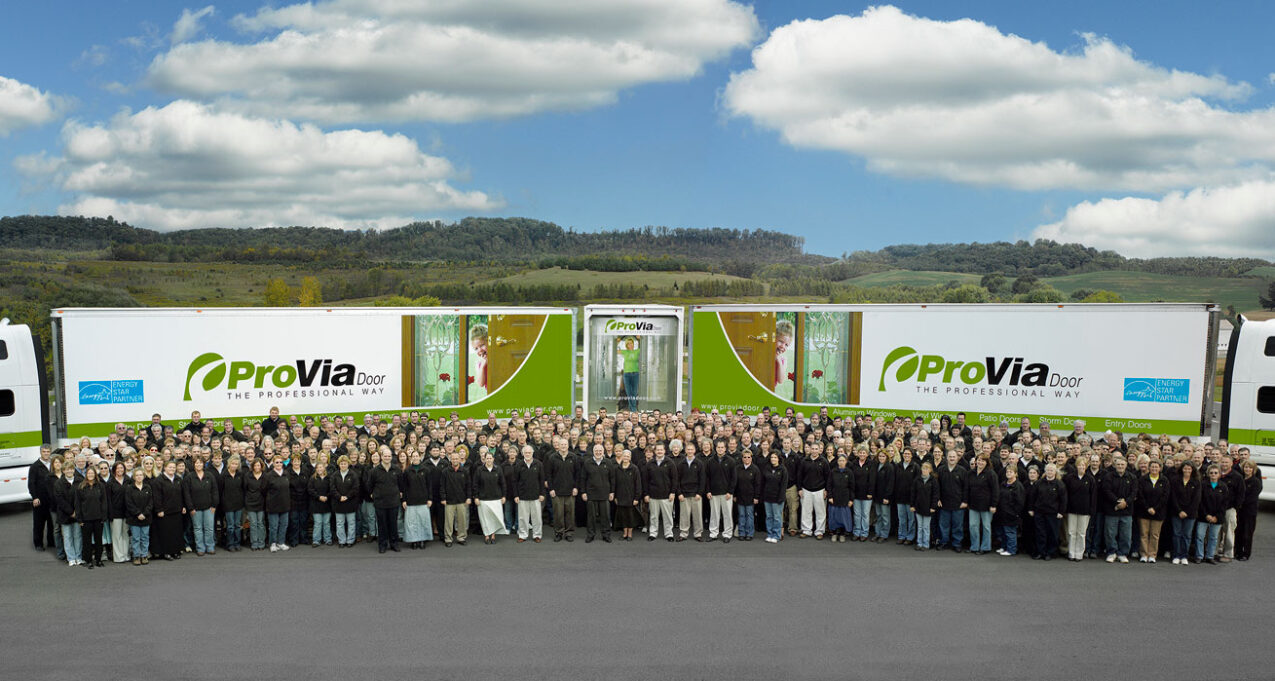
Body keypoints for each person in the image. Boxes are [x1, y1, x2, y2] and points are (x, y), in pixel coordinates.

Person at [1100, 456, 1138, 563]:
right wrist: (1117, 502)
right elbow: (1106, 491)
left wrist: (1125, 503)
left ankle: (1122, 553)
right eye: (1118, 464)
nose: (1120, 466)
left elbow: (1134, 492)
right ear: (1114, 465)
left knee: (1126, 534)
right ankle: (1111, 552)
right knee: (1110, 533)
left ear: (1126, 465)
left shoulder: (1132, 477)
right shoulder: (1109, 477)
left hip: (1127, 511)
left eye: (1122, 464)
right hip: (1112, 510)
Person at [1028, 463, 1066, 561]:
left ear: (1055, 472)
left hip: (1053, 513)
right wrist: (1031, 509)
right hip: (1039, 512)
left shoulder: (1059, 484)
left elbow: (1063, 499)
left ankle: (1050, 552)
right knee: (1040, 533)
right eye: (1048, 470)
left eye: (1051, 470)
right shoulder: (1039, 483)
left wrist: (1061, 512)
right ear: (1045, 471)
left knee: (1052, 533)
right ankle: (1041, 552)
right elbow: (1032, 497)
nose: (1049, 472)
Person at [368, 446, 403, 553]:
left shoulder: (396, 469)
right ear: (381, 457)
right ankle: (382, 545)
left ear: (391, 457)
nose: (387, 458)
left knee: (393, 524)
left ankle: (394, 544)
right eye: (385, 456)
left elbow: (401, 484)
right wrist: (373, 494)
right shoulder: (374, 471)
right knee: (382, 524)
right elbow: (369, 485)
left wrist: (400, 493)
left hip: (393, 501)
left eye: (389, 456)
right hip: (380, 502)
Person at [1193, 464, 1229, 564]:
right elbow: (1200, 501)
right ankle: (1199, 556)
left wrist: (1216, 517)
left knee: (1213, 538)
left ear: (1219, 474)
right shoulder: (1203, 485)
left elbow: (1224, 504)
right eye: (1211, 473)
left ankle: (1210, 556)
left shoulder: (1223, 487)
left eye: (1215, 473)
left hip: (1217, 518)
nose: (1213, 474)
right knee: (1200, 536)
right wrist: (1206, 515)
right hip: (1203, 516)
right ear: (1208, 474)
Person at [151, 460, 186, 561]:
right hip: (165, 512)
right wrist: (159, 510)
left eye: (173, 468)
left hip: (177, 510)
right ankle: (166, 552)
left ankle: (175, 551)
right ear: (164, 468)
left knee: (176, 532)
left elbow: (182, 494)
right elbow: (156, 497)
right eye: (170, 467)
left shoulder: (178, 479)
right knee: (166, 533)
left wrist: (183, 506)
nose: (172, 469)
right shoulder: (159, 481)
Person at [964, 454, 998, 555]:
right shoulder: (971, 473)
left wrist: (994, 505)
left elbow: (995, 490)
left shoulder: (991, 474)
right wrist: (966, 501)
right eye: (979, 460)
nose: (980, 462)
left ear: (987, 462)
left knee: (986, 527)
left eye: (983, 461)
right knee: (973, 526)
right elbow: (966, 489)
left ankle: (985, 547)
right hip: (973, 505)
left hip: (987, 506)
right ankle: (974, 546)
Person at [1062, 460, 1096, 561]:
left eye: (1083, 465)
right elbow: (1066, 493)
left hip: (1085, 510)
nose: (1081, 467)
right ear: (1076, 466)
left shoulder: (1090, 479)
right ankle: (1071, 552)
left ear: (1086, 466)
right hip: (1072, 509)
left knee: (1081, 533)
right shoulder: (1069, 478)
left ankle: (1079, 553)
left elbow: (1093, 496)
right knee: (1071, 532)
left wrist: (1091, 510)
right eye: (1079, 465)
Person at [546, 437, 578, 542]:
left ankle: (569, 533)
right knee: (558, 514)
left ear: (567, 445)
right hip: (556, 491)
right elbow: (549, 475)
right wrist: (551, 489)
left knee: (570, 513)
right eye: (561, 444)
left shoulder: (573, 457)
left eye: (565, 444)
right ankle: (559, 532)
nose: (563, 446)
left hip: (570, 491)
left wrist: (576, 487)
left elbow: (577, 474)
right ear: (558, 446)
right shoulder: (552, 458)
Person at [1135, 459, 1168, 564]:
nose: (1154, 469)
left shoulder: (1164, 480)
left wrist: (1155, 508)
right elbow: (1140, 495)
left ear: (1160, 468)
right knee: (1144, 534)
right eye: (1152, 467)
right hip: (1144, 511)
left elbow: (1165, 497)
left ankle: (1152, 555)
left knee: (1154, 535)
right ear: (1149, 468)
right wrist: (1148, 507)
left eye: (1156, 467)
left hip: (1158, 512)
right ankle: (1144, 554)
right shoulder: (1143, 479)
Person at [581, 444, 615, 543]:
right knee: (591, 517)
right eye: (596, 450)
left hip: (605, 494)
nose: (598, 452)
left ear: (603, 451)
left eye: (600, 450)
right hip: (591, 493)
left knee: (605, 516)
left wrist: (612, 492)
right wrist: (583, 492)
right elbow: (583, 478)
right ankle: (591, 535)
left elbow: (612, 478)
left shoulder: (608, 462)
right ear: (593, 451)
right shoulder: (587, 463)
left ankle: (606, 535)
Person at [75, 466, 108, 569]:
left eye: (92, 473)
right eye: (88, 473)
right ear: (86, 475)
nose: (90, 475)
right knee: (87, 541)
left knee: (99, 540)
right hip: (86, 519)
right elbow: (77, 504)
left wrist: (104, 516)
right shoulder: (81, 487)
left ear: (95, 474)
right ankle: (88, 560)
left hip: (98, 518)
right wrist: (79, 519)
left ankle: (98, 560)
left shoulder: (100, 486)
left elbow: (104, 502)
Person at [1169, 461, 1200, 565]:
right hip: (1176, 512)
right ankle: (1176, 555)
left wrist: (1187, 512)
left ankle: (1184, 555)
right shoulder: (1175, 480)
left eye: (1189, 469)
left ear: (1192, 470)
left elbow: (1196, 499)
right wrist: (1179, 511)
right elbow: (1173, 497)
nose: (1187, 470)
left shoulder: (1196, 482)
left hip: (1190, 514)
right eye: (1185, 468)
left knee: (1187, 535)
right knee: (1176, 534)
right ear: (1182, 469)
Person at [935, 450, 967, 552]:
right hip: (944, 503)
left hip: (958, 504)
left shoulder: (962, 471)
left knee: (957, 526)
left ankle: (957, 544)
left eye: (954, 457)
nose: (952, 458)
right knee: (943, 525)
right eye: (950, 456)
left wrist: (964, 501)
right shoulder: (941, 470)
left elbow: (966, 488)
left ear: (957, 458)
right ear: (946, 457)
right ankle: (944, 542)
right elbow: (937, 486)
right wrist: (938, 498)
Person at [705, 441, 736, 543]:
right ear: (716, 448)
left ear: (725, 448)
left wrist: (730, 492)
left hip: (726, 493)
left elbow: (734, 478)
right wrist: (708, 490)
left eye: (722, 447)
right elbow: (707, 478)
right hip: (713, 493)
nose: (720, 449)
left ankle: (727, 534)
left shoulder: (731, 461)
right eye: (718, 447)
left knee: (727, 514)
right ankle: (713, 534)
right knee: (714, 514)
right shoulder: (710, 461)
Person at [400, 451, 433, 549]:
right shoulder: (407, 471)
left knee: (423, 521)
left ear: (420, 457)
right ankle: (413, 541)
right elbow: (404, 487)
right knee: (412, 523)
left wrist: (430, 499)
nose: (415, 457)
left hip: (423, 500)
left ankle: (422, 540)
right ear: (411, 458)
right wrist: (404, 500)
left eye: (416, 456)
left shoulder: (426, 470)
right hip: (411, 501)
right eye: (413, 456)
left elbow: (429, 486)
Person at [645, 442, 676, 541]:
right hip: (653, 495)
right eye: (657, 450)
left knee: (667, 516)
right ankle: (653, 533)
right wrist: (646, 494)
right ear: (655, 451)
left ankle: (669, 534)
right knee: (653, 516)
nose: (659, 451)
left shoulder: (670, 463)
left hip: (666, 495)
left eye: (661, 450)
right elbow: (646, 480)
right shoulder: (650, 464)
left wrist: (672, 492)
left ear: (664, 451)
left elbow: (674, 479)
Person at [798, 445, 829, 539]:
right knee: (806, 511)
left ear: (819, 450)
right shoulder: (804, 461)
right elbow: (799, 475)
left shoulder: (823, 461)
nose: (814, 451)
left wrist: (826, 490)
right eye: (813, 449)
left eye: (816, 449)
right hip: (806, 489)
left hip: (820, 490)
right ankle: (806, 530)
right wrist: (799, 488)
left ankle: (819, 531)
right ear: (810, 450)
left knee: (821, 512)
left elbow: (828, 477)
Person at [675, 442, 705, 542]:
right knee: (684, 515)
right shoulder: (681, 464)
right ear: (685, 451)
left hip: (696, 494)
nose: (690, 451)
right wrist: (679, 493)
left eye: (692, 449)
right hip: (684, 494)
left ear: (695, 451)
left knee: (697, 515)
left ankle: (698, 534)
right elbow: (677, 480)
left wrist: (699, 493)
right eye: (688, 449)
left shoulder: (699, 463)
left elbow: (702, 480)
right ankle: (683, 534)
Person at [440, 451, 470, 547]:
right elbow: (442, 486)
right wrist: (443, 498)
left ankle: (461, 537)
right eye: (453, 459)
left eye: (456, 458)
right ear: (450, 459)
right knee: (448, 521)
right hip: (449, 500)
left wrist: (469, 497)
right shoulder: (445, 471)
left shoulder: (464, 471)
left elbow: (468, 486)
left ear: (459, 459)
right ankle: (448, 539)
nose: (455, 460)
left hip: (462, 500)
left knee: (462, 520)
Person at [28, 444, 55, 552]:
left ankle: (51, 542)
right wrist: (34, 497)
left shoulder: (53, 464)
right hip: (40, 500)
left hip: (52, 499)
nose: (46, 454)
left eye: (48, 452)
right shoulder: (35, 466)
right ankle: (38, 543)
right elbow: (31, 483)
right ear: (40, 452)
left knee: (52, 522)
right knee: (39, 523)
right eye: (44, 452)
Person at [993, 465, 1025, 556]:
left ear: (1016, 474)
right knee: (1003, 532)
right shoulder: (1003, 484)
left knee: (1010, 532)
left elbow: (1020, 502)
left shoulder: (1018, 486)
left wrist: (1015, 513)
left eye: (1011, 472)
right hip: (1002, 512)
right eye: (1007, 472)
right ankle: (1004, 547)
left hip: (1012, 513)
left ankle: (1011, 549)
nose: (1008, 473)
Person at [124, 467, 153, 565]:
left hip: (146, 517)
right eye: (137, 475)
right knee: (136, 538)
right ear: (134, 477)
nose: (139, 477)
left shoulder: (147, 487)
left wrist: (144, 513)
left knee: (145, 537)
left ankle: (144, 555)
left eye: (141, 475)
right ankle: (136, 556)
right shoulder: (129, 488)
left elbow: (150, 502)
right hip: (134, 518)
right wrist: (138, 513)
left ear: (144, 476)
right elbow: (129, 503)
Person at [612, 449, 642, 541]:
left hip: (631, 497)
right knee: (623, 516)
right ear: (622, 456)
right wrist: (615, 496)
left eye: (628, 456)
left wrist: (637, 497)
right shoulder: (617, 469)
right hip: (620, 497)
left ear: (630, 458)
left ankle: (630, 534)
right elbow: (614, 483)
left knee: (630, 516)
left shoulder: (634, 468)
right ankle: (624, 533)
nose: (626, 458)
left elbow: (638, 484)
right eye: (624, 456)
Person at [1236, 459, 1262, 561]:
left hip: (1249, 511)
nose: (1247, 469)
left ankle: (1246, 554)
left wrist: (1240, 503)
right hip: (1240, 511)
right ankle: (1237, 552)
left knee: (1247, 533)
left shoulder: (1256, 482)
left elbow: (1252, 497)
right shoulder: (1240, 479)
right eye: (1246, 467)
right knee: (1238, 532)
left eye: (1250, 467)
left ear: (1253, 469)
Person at [264, 457, 292, 553]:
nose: (279, 464)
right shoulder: (268, 476)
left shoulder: (286, 474)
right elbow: (264, 490)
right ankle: (273, 543)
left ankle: (281, 542)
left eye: (281, 462)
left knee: (284, 525)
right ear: (273, 464)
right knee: (273, 526)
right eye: (277, 462)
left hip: (285, 504)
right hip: (273, 505)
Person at [105, 461, 130, 564]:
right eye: (117, 468)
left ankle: (126, 555)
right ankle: (118, 557)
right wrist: (110, 514)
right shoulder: (110, 483)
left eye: (121, 468)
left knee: (126, 534)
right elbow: (108, 500)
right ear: (114, 470)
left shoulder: (128, 480)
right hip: (115, 513)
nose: (120, 470)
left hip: (127, 512)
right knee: (116, 535)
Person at [760, 452, 788, 544]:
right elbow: (763, 483)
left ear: (778, 459)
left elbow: (784, 485)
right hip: (767, 497)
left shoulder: (783, 470)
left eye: (775, 457)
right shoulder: (767, 468)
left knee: (777, 517)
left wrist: (781, 497)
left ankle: (776, 535)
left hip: (778, 498)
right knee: (769, 517)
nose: (773, 459)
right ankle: (770, 534)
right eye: (772, 457)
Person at [733, 450, 761, 541]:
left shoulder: (755, 469)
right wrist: (734, 495)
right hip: (740, 496)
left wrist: (756, 497)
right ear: (742, 458)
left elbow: (758, 484)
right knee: (741, 515)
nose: (746, 459)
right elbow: (735, 483)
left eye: (748, 457)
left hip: (750, 497)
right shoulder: (738, 469)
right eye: (745, 457)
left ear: (751, 458)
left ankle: (749, 533)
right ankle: (742, 533)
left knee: (749, 515)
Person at [911, 461, 939, 551]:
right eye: (923, 468)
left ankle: (926, 544)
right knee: (919, 527)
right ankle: (919, 543)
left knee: (926, 527)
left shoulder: (933, 481)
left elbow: (935, 495)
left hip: (928, 507)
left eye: (927, 468)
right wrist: (912, 505)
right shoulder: (917, 480)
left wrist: (933, 507)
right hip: (918, 507)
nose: (924, 470)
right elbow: (913, 493)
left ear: (930, 470)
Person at [826, 453, 853, 542]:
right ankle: (834, 533)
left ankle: (842, 534)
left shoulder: (849, 472)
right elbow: (829, 485)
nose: (841, 462)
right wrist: (830, 496)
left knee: (843, 517)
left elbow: (852, 487)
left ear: (846, 461)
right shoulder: (833, 471)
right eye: (840, 460)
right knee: (834, 517)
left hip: (845, 498)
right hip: (834, 498)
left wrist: (851, 499)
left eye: (843, 460)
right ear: (837, 461)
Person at [893, 448, 918, 545]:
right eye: (905, 454)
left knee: (911, 520)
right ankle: (901, 536)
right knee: (902, 519)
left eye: (908, 454)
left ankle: (910, 537)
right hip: (900, 497)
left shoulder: (915, 467)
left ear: (912, 455)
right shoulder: (898, 466)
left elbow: (917, 484)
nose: (906, 455)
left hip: (910, 499)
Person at [221, 455, 246, 552]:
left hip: (238, 504)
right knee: (230, 526)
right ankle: (230, 544)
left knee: (237, 525)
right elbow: (221, 490)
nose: (234, 466)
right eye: (232, 464)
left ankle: (237, 543)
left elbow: (243, 489)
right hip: (228, 505)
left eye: (236, 464)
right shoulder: (224, 475)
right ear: (229, 464)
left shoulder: (240, 475)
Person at [243, 459, 268, 551]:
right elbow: (245, 489)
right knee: (253, 524)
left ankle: (261, 542)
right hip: (250, 503)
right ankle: (254, 543)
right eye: (255, 465)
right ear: (252, 466)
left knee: (260, 523)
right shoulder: (247, 476)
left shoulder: (265, 476)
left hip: (261, 502)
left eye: (259, 465)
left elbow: (266, 491)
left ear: (261, 466)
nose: (257, 467)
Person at [309, 461, 333, 546]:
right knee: (318, 523)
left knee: (326, 523)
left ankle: (328, 539)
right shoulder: (313, 478)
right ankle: (316, 540)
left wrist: (327, 496)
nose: (319, 469)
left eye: (321, 467)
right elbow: (310, 490)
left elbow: (332, 489)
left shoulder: (329, 478)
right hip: (316, 504)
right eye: (318, 467)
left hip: (327, 504)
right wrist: (319, 497)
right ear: (316, 469)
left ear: (324, 468)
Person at [617, 337, 641, 412]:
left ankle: (632, 408)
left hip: (635, 374)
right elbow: (615, 350)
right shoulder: (625, 352)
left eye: (631, 343)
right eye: (628, 344)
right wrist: (618, 340)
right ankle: (633, 409)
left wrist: (639, 339)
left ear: (633, 344)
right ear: (626, 345)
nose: (630, 345)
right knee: (628, 392)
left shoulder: (637, 351)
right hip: (626, 374)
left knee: (634, 392)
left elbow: (644, 347)